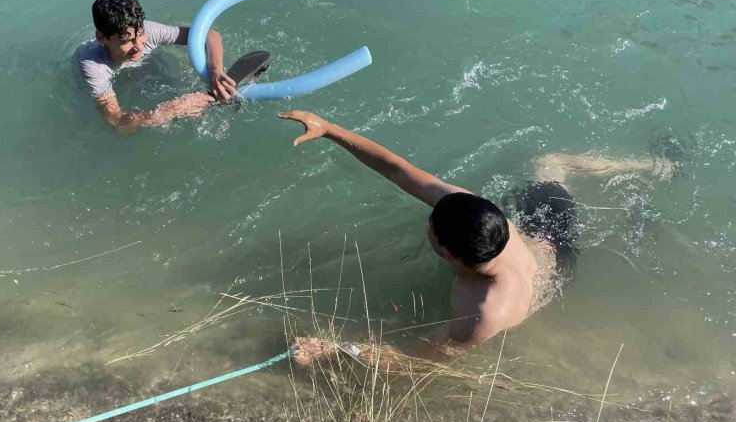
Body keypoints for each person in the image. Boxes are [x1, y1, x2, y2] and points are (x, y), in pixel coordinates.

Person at [278, 111, 678, 366]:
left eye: (431, 228)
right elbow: (399, 171)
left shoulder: (480, 314)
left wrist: (332, 351)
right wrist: (329, 129)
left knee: (551, 168)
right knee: (549, 164)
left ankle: (654, 168)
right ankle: (653, 166)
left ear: (448, 255)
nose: (430, 220)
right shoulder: (477, 214)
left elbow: (417, 360)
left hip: (555, 269)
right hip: (543, 236)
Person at [77, 0, 238, 132]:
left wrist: (215, 69)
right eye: (126, 41)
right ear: (101, 37)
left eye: (140, 34)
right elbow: (118, 123)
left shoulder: (149, 31)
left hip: (150, 66)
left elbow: (210, 36)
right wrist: (171, 110)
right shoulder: (93, 66)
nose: (139, 46)